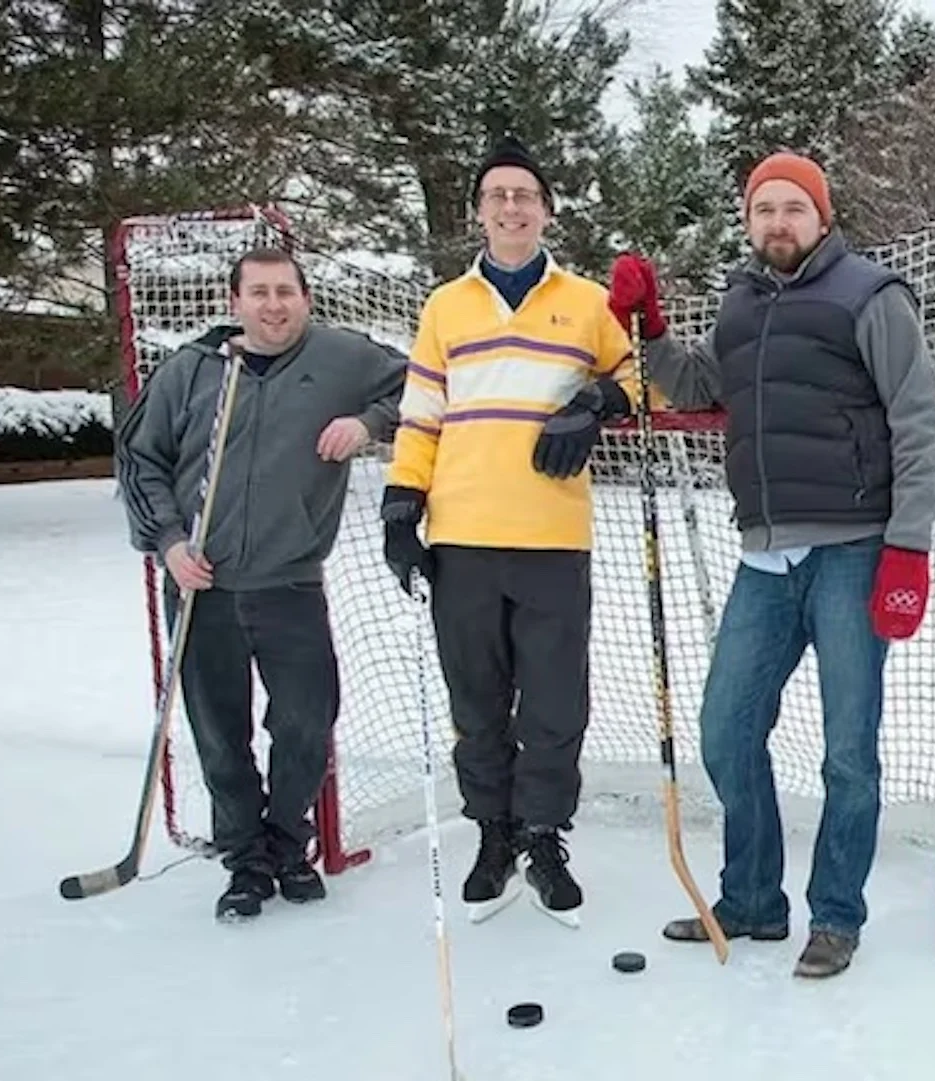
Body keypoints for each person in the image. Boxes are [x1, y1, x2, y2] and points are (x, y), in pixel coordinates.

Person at [606, 150, 935, 977]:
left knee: (847, 751)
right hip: (764, 555)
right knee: (726, 729)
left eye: (794, 208)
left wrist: (908, 546)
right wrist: (648, 331)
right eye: (765, 210)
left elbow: (917, 420)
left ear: (822, 218)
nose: (779, 223)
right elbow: (700, 386)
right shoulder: (742, 301)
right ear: (749, 222)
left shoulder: (870, 295)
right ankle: (752, 899)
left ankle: (835, 915)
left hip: (853, 550)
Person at [378, 134, 637, 928]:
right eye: (498, 195)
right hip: (463, 534)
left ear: (547, 210)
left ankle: (543, 836)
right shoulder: (445, 307)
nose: (513, 206)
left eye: (526, 194)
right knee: (478, 701)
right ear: (479, 213)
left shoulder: (589, 302)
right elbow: (421, 417)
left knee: (556, 703)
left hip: (554, 537)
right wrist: (401, 504)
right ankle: (492, 833)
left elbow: (635, 377)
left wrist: (594, 403)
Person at [115, 247, 406, 922]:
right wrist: (169, 542)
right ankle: (244, 856)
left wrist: (367, 423)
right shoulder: (192, 371)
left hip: (289, 581)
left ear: (306, 299)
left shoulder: (340, 358)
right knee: (219, 731)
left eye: (286, 292)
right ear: (234, 302)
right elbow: (140, 459)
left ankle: (284, 842)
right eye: (260, 293)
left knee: (307, 719)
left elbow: (420, 385)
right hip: (201, 582)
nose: (274, 305)